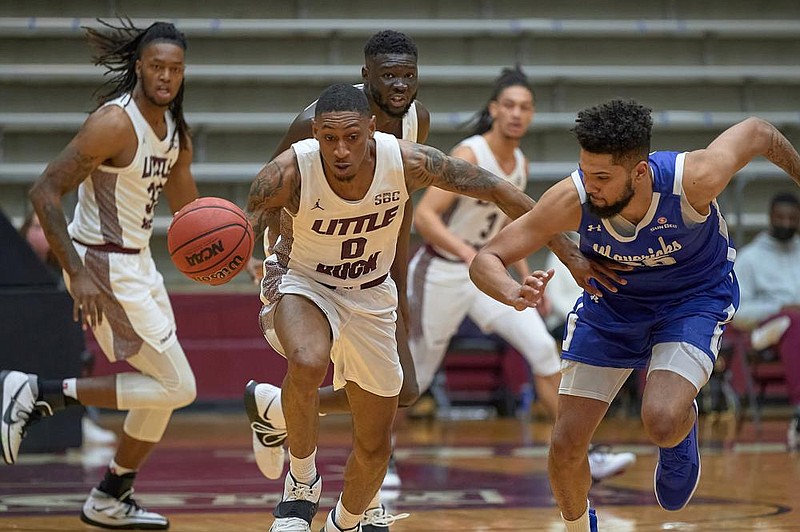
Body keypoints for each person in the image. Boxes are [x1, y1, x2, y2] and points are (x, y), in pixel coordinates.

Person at [244, 83, 621, 532]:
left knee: (391, 416)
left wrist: (568, 252)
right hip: (308, 281)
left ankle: (342, 513)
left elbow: (502, 195)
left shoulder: (406, 161)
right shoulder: (289, 171)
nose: (340, 150)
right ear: (315, 134)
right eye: (328, 138)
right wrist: (239, 253)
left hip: (371, 291)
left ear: (371, 128)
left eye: (351, 137)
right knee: (308, 359)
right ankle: (301, 488)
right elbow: (246, 221)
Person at [469, 99, 800, 531]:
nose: (593, 187)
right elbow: (486, 258)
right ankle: (577, 526)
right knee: (566, 445)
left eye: (603, 177)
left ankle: (680, 432)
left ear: (640, 171)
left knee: (661, 420)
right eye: (587, 174)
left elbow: (757, 131)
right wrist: (513, 290)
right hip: (612, 304)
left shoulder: (694, 179)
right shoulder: (574, 197)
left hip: (692, 299)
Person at [0, 20, 198, 530]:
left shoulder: (176, 131)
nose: (166, 76)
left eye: (175, 68)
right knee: (179, 386)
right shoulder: (114, 123)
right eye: (157, 66)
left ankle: (112, 494)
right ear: (138, 66)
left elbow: (194, 215)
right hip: (102, 265)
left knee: (162, 388)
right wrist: (77, 273)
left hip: (140, 264)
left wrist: (235, 253)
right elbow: (44, 193)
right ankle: (41, 391)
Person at [407, 67, 634, 481]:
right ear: (494, 109)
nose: (516, 113)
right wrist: (468, 254)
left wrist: (526, 275)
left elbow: (513, 229)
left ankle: (582, 454)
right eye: (509, 105)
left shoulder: (520, 163)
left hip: (489, 275)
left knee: (544, 353)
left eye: (525, 107)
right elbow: (424, 215)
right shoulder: (470, 154)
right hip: (440, 271)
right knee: (414, 377)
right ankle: (377, 461)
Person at [244, 30, 428, 528]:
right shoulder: (316, 122)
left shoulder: (415, 121)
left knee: (404, 390)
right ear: (365, 74)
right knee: (321, 361)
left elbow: (400, 209)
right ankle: (349, 503)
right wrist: (263, 253)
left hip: (369, 261)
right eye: (387, 75)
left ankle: (278, 410)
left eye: (407, 75)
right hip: (306, 255)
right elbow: (279, 182)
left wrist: (399, 283)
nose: (398, 84)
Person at [19, 211, 118, 447]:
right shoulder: (13, 268)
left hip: (55, 347)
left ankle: (82, 420)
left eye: (46, 228)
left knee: (79, 354)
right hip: (21, 344)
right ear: (23, 232)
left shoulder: (66, 272)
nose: (42, 234)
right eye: (35, 227)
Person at [733, 192, 800, 449]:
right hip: (764, 331)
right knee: (792, 320)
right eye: (781, 217)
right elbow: (737, 312)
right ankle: (798, 410)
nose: (786, 223)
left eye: (792, 218)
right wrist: (779, 307)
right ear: (771, 217)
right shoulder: (749, 259)